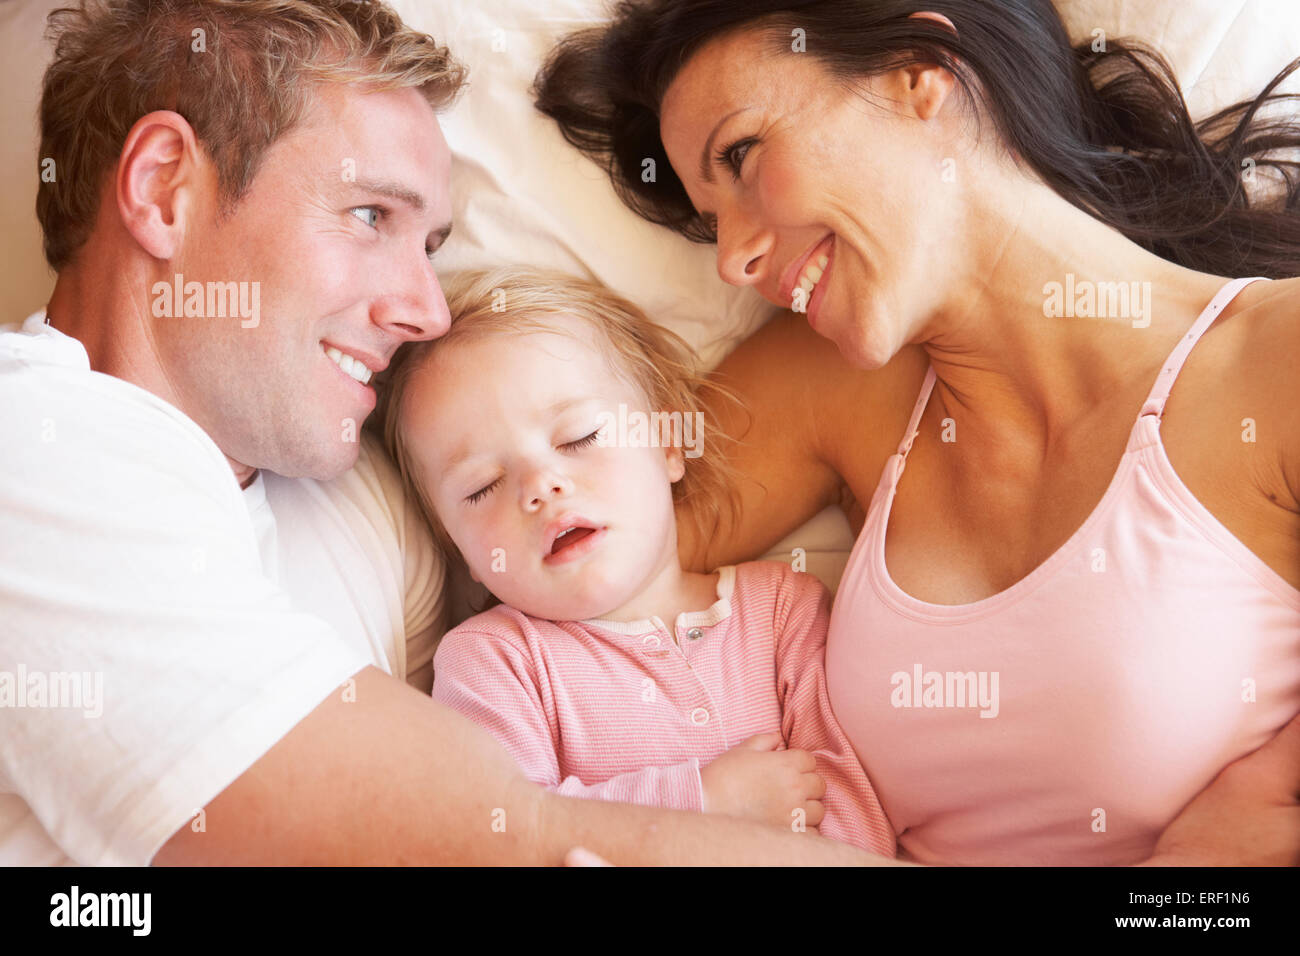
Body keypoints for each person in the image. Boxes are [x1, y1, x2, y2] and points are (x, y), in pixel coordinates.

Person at [0, 0, 893, 866]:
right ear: (163, 188)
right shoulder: (32, 445)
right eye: (368, 217)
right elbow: (501, 843)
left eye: (430, 247)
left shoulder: (354, 489)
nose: (427, 312)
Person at [534, 0, 1300, 863]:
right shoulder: (833, 385)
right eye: (711, 221)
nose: (731, 260)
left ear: (919, 72)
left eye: (742, 156)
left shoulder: (1276, 360)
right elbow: (544, 555)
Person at [381, 267, 896, 856]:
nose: (540, 486)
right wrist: (699, 802)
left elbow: (857, 817)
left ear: (668, 443)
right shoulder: (492, 663)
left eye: (578, 437)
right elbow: (500, 833)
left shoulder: (782, 612)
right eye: (482, 486)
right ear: (463, 554)